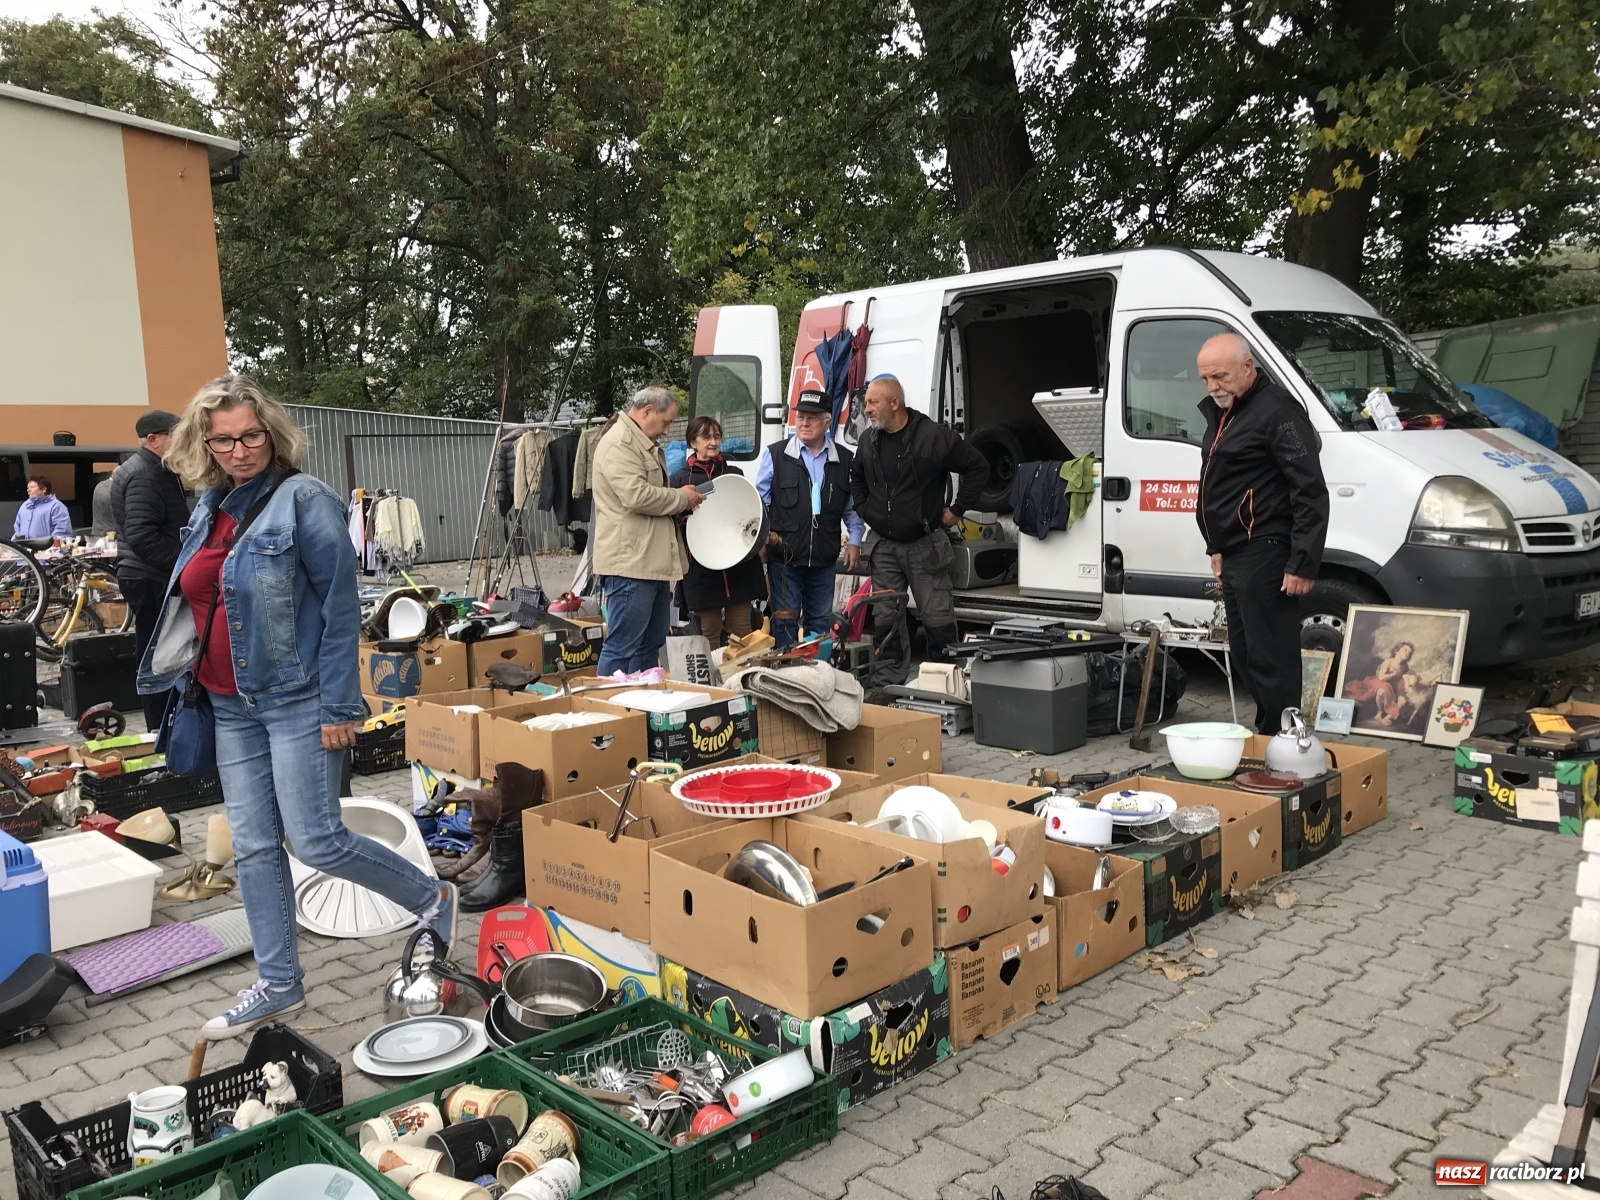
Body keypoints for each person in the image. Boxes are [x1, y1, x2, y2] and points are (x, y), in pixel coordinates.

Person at [136, 374, 455, 1039]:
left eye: (250, 435)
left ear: (271, 433)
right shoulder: (207, 508)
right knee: (253, 848)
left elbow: (342, 612)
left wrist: (342, 705)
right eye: (223, 440)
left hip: (298, 700)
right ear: (205, 443)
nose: (240, 450)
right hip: (226, 704)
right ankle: (279, 984)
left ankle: (433, 898)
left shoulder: (304, 499)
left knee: (316, 839)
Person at [1196, 331, 1329, 733]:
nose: (1212, 386)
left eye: (1220, 376)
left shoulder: (1277, 413)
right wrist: (1215, 547)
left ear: (1248, 367)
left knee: (1271, 655)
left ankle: (1285, 739)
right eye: (1205, 379)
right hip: (1234, 550)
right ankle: (1269, 734)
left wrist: (1303, 561)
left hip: (1266, 549)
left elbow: (1309, 489)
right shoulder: (1227, 413)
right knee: (1245, 652)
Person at [850, 374, 988, 689]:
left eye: (872, 402)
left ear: (894, 402)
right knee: (885, 618)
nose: (866, 409)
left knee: (937, 618)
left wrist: (956, 510)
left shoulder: (933, 437)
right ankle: (887, 684)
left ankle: (944, 684)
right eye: (867, 402)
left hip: (926, 545)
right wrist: (867, 511)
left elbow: (978, 467)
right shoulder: (868, 441)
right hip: (883, 547)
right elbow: (856, 479)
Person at [592, 386, 706, 674]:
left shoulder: (637, 442)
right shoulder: (619, 444)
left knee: (650, 643)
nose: (667, 431)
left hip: (648, 563)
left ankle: (639, 707)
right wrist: (681, 497)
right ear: (647, 412)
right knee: (622, 645)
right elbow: (637, 496)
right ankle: (607, 712)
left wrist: (681, 498)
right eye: (666, 422)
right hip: (630, 567)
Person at [755, 389, 864, 650]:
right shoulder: (776, 454)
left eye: (811, 418)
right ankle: (787, 675)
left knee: (818, 622)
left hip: (824, 559)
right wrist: (760, 541)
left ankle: (816, 675)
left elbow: (852, 507)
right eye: (800, 417)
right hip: (785, 557)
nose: (803, 423)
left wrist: (855, 541)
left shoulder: (845, 459)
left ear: (827, 423)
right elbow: (760, 503)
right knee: (785, 621)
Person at [112, 411, 188, 730]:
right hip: (152, 576)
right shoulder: (147, 473)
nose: (182, 440)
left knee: (157, 652)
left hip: (146, 573)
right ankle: (160, 729)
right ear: (154, 440)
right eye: (176, 434)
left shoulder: (148, 469)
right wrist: (184, 563)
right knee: (159, 656)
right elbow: (142, 535)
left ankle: (162, 726)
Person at [669, 415, 768, 646]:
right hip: (700, 565)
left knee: (742, 627)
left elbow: (749, 509)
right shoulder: (680, 479)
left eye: (716, 437)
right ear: (693, 442)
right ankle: (712, 681)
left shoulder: (734, 474)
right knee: (709, 631)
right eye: (706, 437)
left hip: (738, 564)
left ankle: (743, 677)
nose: (713, 442)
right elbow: (672, 519)